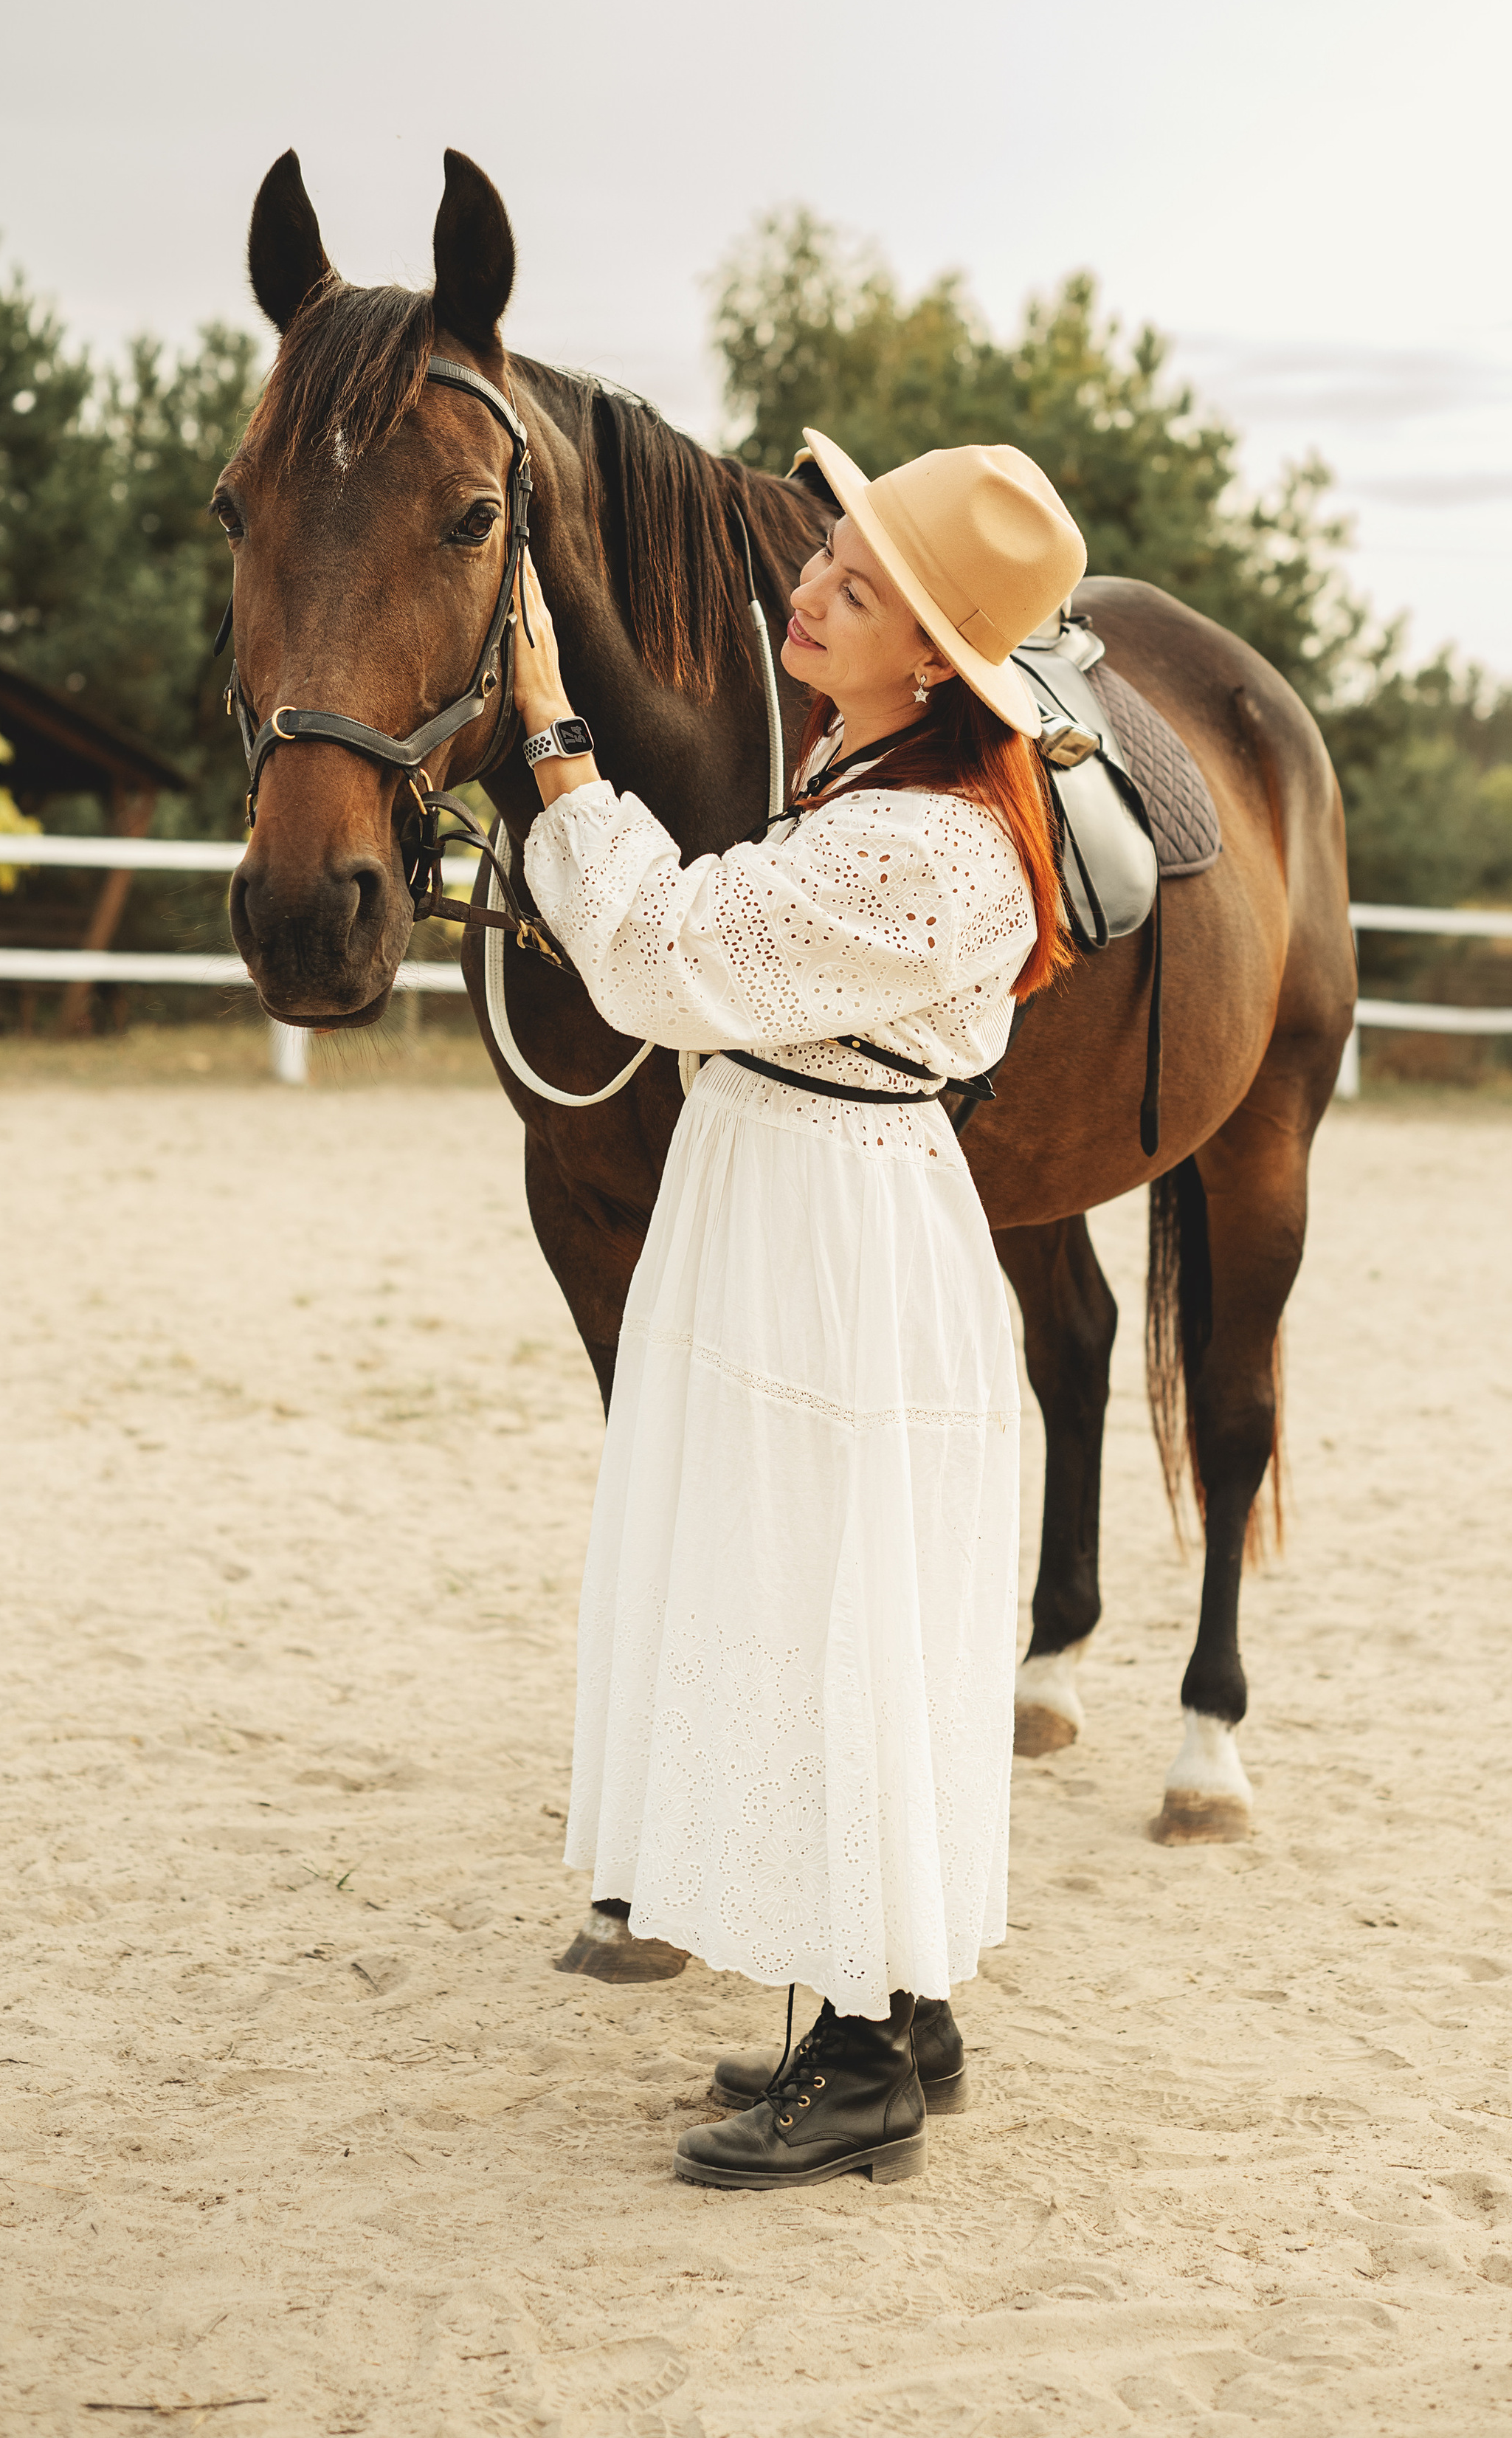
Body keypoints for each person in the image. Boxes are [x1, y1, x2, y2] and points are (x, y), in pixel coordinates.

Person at [516, 430, 1085, 2190]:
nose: (801, 590)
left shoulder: (931, 845)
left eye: (850, 586)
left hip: (827, 1235)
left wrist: (553, 746)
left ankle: (852, 2074)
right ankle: (901, 2009)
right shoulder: (876, 772)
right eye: (820, 557)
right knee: (834, 1593)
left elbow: (663, 953)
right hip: (803, 1203)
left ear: (932, 656)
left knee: (823, 1600)